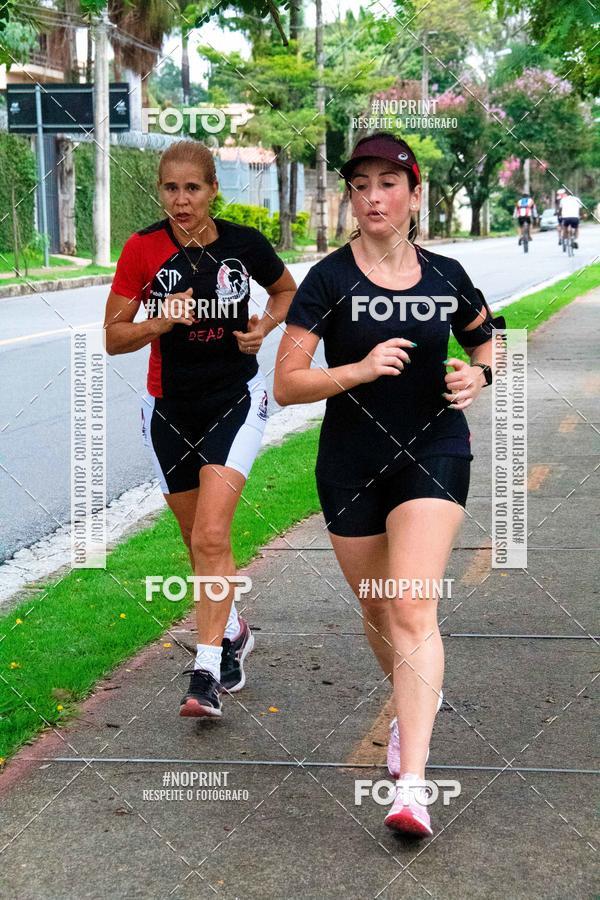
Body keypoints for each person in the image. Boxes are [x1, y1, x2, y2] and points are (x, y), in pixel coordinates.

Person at [274, 132, 499, 837]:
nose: (374, 196)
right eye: (362, 184)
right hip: (349, 463)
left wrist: (480, 374)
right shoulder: (328, 281)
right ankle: (412, 711)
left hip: (434, 450)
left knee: (409, 607)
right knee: (380, 615)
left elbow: (489, 339)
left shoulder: (448, 275)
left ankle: (413, 785)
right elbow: (286, 383)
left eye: (388, 183)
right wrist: (361, 369)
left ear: (413, 193)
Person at [104, 140, 296, 719]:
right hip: (167, 411)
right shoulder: (143, 250)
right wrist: (162, 317)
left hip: (234, 401)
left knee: (213, 537)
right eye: (170, 188)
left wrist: (262, 326)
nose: (181, 200)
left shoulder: (243, 246)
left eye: (192, 188)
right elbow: (114, 336)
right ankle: (233, 628)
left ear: (213, 190)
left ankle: (206, 673)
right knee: (198, 543)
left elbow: (287, 290)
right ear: (159, 190)